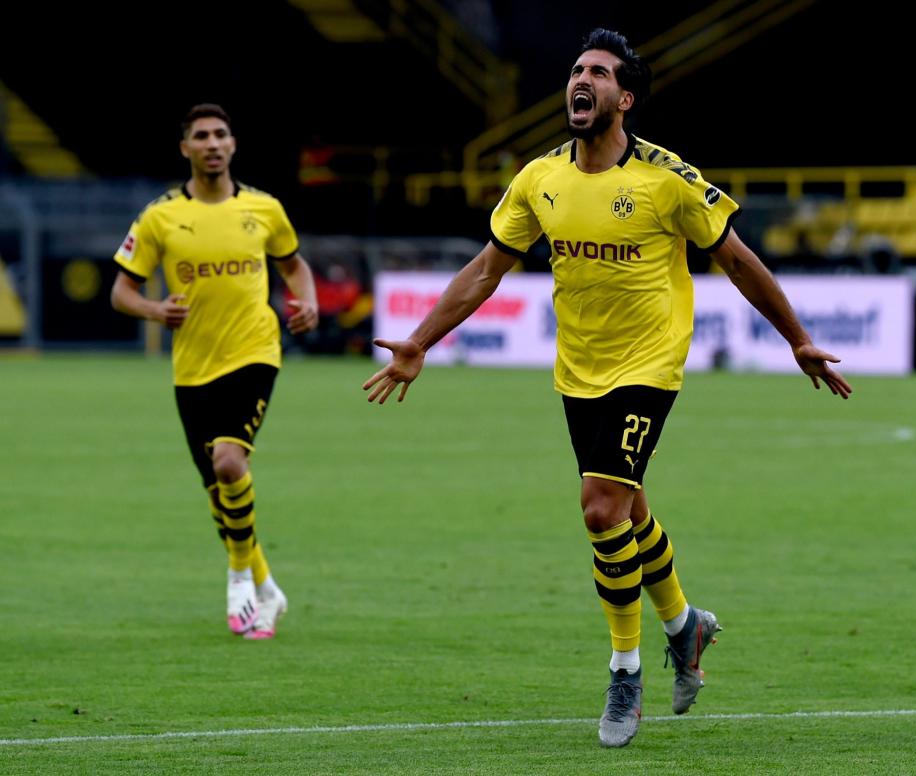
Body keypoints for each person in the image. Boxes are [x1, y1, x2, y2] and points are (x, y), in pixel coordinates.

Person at [364, 28, 852, 747]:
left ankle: (625, 672)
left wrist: (796, 337)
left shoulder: (667, 180)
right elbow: (484, 270)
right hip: (579, 369)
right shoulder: (539, 179)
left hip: (649, 364)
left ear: (624, 98)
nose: (579, 80)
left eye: (597, 72)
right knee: (627, 509)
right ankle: (686, 627)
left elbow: (739, 262)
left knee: (599, 511)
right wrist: (419, 341)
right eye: (574, 70)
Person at [111, 104, 319, 640]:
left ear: (233, 144)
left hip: (254, 351)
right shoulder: (159, 217)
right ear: (185, 148)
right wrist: (156, 311)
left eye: (220, 134)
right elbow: (121, 290)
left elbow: (293, 263)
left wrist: (308, 302)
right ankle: (267, 589)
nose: (212, 143)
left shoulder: (264, 208)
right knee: (217, 493)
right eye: (200, 136)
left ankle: (236, 581)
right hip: (192, 368)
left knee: (229, 463)